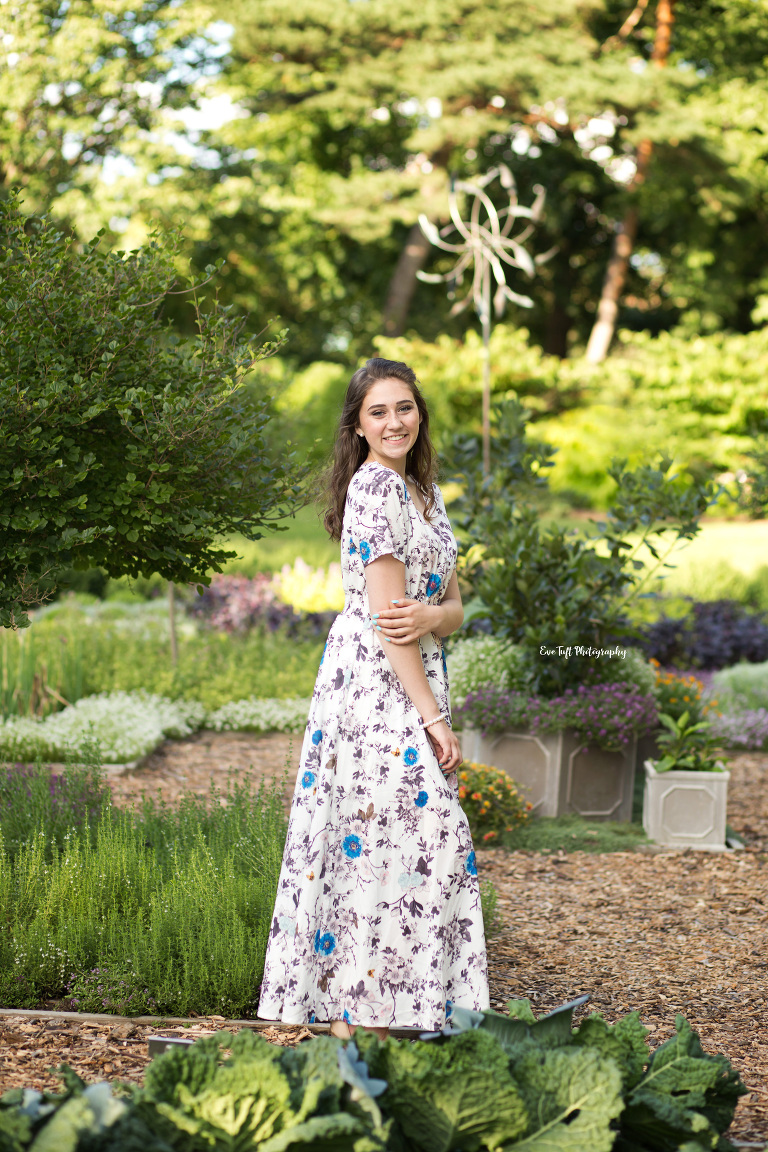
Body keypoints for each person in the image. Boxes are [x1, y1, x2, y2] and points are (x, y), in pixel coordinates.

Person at [257, 356, 489, 1041]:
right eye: (378, 411)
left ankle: (394, 1006)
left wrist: (434, 619)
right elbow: (392, 623)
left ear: (420, 414)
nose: (395, 421)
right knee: (412, 834)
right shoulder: (374, 492)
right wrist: (433, 716)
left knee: (402, 840)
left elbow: (453, 609)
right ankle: (369, 1013)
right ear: (357, 427)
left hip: (414, 672)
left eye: (405, 407)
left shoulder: (425, 492)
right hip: (377, 690)